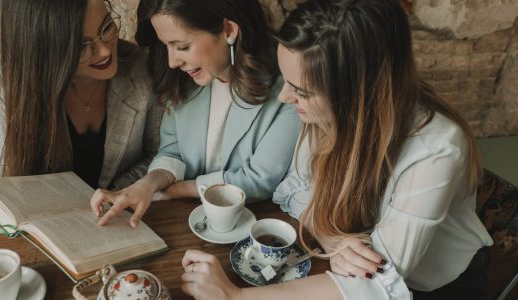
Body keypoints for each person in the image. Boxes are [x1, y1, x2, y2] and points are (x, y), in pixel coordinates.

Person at [178, 0, 493, 299]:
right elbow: (293, 188)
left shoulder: (436, 150)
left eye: (300, 89)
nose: (285, 98)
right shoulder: (326, 110)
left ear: (356, 93)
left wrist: (234, 296)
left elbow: (381, 283)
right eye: (286, 81)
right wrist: (334, 239)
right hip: (345, 268)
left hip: (431, 289)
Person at [90, 0, 301, 227]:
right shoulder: (181, 81)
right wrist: (148, 183)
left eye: (181, 47)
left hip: (252, 225)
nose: (172, 62)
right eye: (166, 46)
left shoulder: (289, 86)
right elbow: (173, 150)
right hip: (187, 222)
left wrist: (179, 189)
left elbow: (259, 179)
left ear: (229, 30)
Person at [0, 0, 161, 189]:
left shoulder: (144, 68)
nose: (104, 51)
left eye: (106, 27)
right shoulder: (9, 74)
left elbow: (159, 154)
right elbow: (12, 169)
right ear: (43, 51)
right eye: (81, 47)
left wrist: (116, 194)